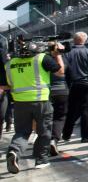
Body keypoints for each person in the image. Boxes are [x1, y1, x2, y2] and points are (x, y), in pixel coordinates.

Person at [3, 40, 63, 173]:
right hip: (40, 101)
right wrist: (58, 54)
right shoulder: (42, 58)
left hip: (19, 103)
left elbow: (5, 85)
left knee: (22, 132)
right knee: (44, 131)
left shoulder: (10, 63)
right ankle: (41, 160)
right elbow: (60, 72)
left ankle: (14, 151)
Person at [62, 31, 88, 143]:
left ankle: (66, 135)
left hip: (73, 84)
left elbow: (66, 70)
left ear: (74, 40)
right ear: (85, 40)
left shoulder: (67, 53)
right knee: (86, 110)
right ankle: (85, 137)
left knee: (71, 110)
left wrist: (68, 83)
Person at [47, 41, 70, 155]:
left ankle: (43, 141)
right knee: (59, 117)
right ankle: (54, 140)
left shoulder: (43, 58)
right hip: (62, 90)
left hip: (46, 91)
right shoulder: (64, 57)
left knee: (46, 118)